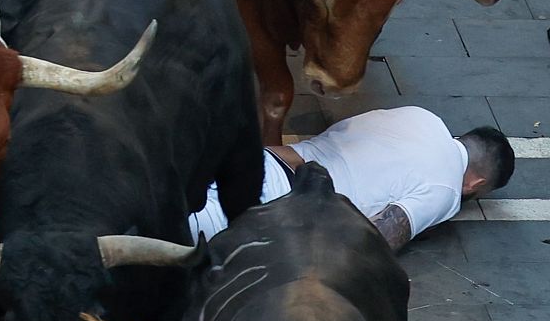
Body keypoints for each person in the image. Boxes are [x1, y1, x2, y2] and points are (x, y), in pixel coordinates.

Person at [190, 106, 515, 251]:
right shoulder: (446, 189)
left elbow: (316, 148)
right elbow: (375, 240)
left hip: (257, 162)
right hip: (267, 211)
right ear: (476, 185)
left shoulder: (421, 116)